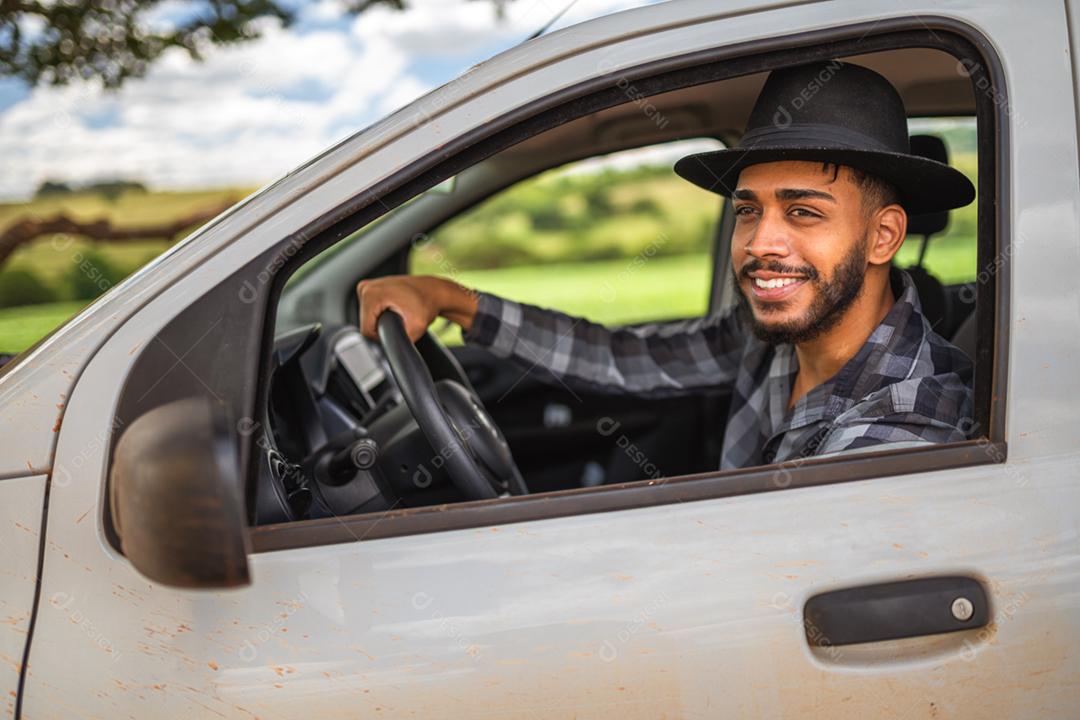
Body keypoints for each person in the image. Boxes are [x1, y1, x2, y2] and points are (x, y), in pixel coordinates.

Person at [357, 60, 975, 470]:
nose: (762, 243)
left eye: (804, 213)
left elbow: (776, 581)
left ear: (883, 236)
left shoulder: (908, 421)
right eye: (747, 211)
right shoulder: (777, 335)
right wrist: (452, 298)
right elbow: (624, 358)